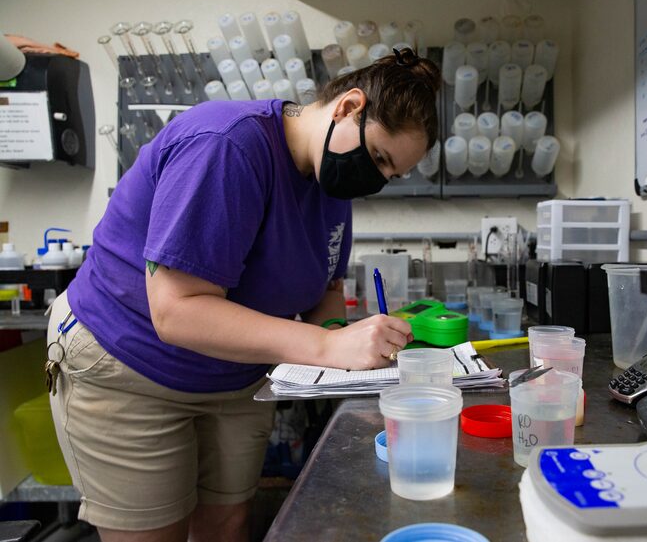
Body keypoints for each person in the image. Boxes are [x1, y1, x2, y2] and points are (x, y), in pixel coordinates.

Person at [45, 48, 441, 542]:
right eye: (379, 157)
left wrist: (347, 344)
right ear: (347, 107)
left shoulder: (329, 186)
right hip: (130, 365)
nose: (376, 178)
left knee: (227, 526)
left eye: (391, 175)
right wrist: (324, 347)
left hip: (235, 377)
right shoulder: (227, 145)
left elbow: (325, 293)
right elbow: (176, 312)